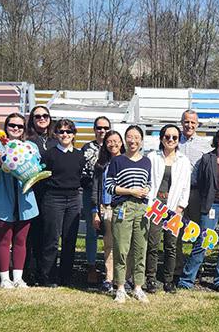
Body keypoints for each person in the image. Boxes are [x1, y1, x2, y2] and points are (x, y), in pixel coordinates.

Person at [179, 126, 219, 293]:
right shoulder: (207, 158)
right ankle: (187, 280)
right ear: (217, 139)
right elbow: (199, 182)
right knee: (202, 242)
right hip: (211, 206)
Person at [0, 113, 40, 289]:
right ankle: (4, 278)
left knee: (21, 240)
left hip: (25, 202)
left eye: (20, 126)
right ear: (6, 127)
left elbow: (36, 171)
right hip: (2, 201)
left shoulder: (30, 147)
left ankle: (18, 278)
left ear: (24, 129)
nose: (15, 129)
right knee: (3, 240)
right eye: (12, 125)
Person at [105, 125, 152, 303]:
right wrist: (131, 191)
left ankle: (138, 286)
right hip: (123, 208)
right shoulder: (117, 161)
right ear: (125, 140)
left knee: (141, 249)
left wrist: (145, 189)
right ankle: (120, 287)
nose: (133, 141)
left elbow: (148, 183)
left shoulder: (146, 161)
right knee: (121, 249)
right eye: (129, 137)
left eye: (136, 137)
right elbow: (109, 187)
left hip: (141, 209)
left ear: (141, 140)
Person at [38, 118, 85, 288]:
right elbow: (41, 178)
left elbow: (82, 177)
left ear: (73, 134)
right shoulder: (49, 154)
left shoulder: (80, 156)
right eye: (61, 131)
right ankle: (48, 277)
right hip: (53, 199)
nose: (65, 134)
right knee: (51, 239)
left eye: (68, 131)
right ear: (56, 134)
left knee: (69, 239)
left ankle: (66, 277)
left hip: (73, 199)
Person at [144, 124, 191, 294]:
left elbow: (186, 186)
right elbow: (147, 181)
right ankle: (150, 278)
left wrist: (180, 207)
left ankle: (169, 280)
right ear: (161, 138)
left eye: (174, 137)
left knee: (171, 246)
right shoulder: (151, 157)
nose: (170, 140)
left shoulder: (183, 161)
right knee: (153, 244)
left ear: (178, 140)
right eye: (167, 136)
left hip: (174, 208)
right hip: (155, 206)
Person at [176, 110, 212, 274]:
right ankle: (176, 266)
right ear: (181, 122)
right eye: (186, 122)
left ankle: (195, 266)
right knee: (175, 229)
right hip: (176, 193)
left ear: (197, 124)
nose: (189, 125)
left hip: (196, 192)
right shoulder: (173, 140)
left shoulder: (205, 145)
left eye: (192, 122)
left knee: (199, 230)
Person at [90, 130, 125, 292]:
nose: (113, 144)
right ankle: (109, 278)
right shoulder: (101, 165)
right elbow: (96, 189)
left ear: (122, 143)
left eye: (116, 141)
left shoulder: (128, 161)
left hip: (124, 208)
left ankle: (124, 278)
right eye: (109, 141)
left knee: (124, 245)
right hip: (106, 207)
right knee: (109, 245)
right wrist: (95, 211)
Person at [23, 105, 53, 284]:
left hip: (51, 194)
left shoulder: (56, 140)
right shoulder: (27, 140)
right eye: (37, 116)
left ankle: (44, 273)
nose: (42, 118)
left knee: (46, 235)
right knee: (28, 235)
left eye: (45, 115)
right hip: (30, 192)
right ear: (32, 120)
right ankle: (26, 272)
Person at [81, 116, 112, 284]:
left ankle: (110, 268)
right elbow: (82, 172)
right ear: (94, 129)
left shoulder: (114, 146)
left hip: (111, 195)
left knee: (111, 233)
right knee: (92, 231)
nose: (102, 131)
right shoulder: (87, 148)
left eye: (106, 128)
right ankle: (91, 266)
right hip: (90, 193)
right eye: (99, 128)